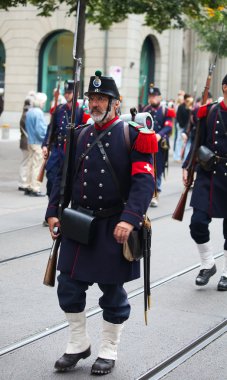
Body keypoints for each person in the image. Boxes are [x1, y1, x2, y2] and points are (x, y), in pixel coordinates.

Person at [45, 70, 158, 375]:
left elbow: (144, 183)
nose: (94, 104)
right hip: (79, 223)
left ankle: (109, 350)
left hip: (113, 225)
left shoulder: (133, 135)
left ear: (115, 104)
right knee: (67, 285)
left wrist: (130, 219)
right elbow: (63, 178)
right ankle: (78, 343)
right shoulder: (79, 133)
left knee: (112, 292)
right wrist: (53, 210)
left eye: (101, 99)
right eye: (92, 98)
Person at [182, 75, 227, 291]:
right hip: (209, 172)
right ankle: (208, 263)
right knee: (197, 222)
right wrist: (187, 166)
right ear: (225, 88)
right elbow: (197, 139)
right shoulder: (210, 112)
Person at [42, 80, 90, 198]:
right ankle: (52, 208)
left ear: (75, 94)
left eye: (70, 92)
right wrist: (45, 144)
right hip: (57, 149)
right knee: (51, 178)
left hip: (71, 151)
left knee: (67, 182)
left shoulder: (81, 112)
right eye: (66, 92)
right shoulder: (59, 109)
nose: (67, 95)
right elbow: (51, 128)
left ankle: (62, 210)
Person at [143, 83, 175, 207]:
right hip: (147, 143)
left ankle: (156, 194)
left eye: (155, 96)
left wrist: (159, 135)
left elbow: (168, 126)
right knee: (147, 167)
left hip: (160, 144)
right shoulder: (146, 110)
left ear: (160, 97)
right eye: (151, 96)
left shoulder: (166, 110)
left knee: (158, 168)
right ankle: (147, 193)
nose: (152, 98)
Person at [25, 92, 47, 196]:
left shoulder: (30, 111)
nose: (44, 104)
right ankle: (35, 188)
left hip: (31, 141)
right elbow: (40, 130)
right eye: (44, 102)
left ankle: (29, 186)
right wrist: (46, 140)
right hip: (38, 142)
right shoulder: (38, 112)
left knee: (31, 164)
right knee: (37, 166)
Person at [18, 92, 36, 191]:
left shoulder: (25, 113)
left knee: (26, 161)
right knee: (25, 162)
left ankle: (24, 181)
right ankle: (23, 182)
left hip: (25, 140)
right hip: (26, 140)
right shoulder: (26, 114)